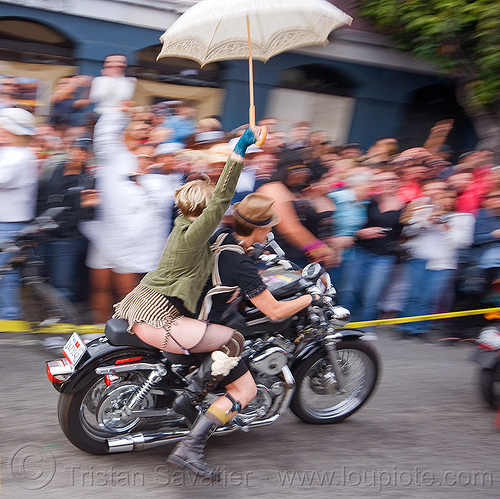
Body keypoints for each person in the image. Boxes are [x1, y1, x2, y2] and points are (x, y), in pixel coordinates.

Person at [113, 127, 260, 479]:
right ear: (205, 209)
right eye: (213, 208)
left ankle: (193, 395)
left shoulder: (183, 226)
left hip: (143, 305)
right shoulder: (196, 231)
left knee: (218, 339)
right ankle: (191, 424)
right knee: (232, 340)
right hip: (158, 315)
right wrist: (239, 152)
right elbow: (223, 197)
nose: (219, 212)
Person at [168, 193, 322, 478]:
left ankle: (200, 390)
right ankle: (190, 446)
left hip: (186, 310)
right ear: (262, 230)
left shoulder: (223, 237)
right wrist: (310, 298)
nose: (271, 231)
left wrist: (254, 254)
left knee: (244, 327)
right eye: (269, 227)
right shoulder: (241, 264)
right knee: (245, 391)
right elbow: (274, 311)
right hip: (203, 326)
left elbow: (232, 265)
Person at [36, 137, 97, 302]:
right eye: (76, 149)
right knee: (38, 281)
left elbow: (89, 216)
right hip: (41, 235)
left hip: (66, 240)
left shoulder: (88, 180)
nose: (78, 154)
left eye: (83, 151)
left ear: (88, 155)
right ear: (69, 149)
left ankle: (62, 323)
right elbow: (39, 197)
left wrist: (88, 206)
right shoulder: (52, 169)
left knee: (62, 286)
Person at [0, 107, 38, 319]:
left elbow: (2, 178)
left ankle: (8, 317)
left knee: (6, 275)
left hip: (9, 226)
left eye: (4, 127)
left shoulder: (20, 155)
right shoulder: (11, 152)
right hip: (8, 223)